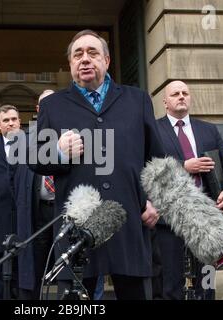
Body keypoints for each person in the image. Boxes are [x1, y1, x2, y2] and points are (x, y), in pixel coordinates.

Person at [30, 30, 165, 300]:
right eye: (77, 54)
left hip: (129, 220)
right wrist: (59, 151)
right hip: (78, 226)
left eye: (92, 53)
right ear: (70, 65)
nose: (84, 59)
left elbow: (157, 159)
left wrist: (155, 200)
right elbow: (35, 158)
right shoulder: (53, 105)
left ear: (106, 60)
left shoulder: (137, 99)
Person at [155, 80, 223, 300]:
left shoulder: (208, 129)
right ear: (165, 102)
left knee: (207, 281)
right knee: (170, 282)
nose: (181, 96)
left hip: (206, 218)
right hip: (170, 218)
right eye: (175, 94)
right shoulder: (154, 130)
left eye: (185, 93)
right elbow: (147, 168)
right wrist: (183, 166)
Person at [14, 89, 56, 300]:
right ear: (38, 109)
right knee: (36, 265)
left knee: (69, 267)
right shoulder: (25, 139)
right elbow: (16, 181)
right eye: (45, 104)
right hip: (37, 212)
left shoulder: (74, 135)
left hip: (64, 212)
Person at [0, 104, 21, 299]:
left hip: (25, 219)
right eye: (6, 120)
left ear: (19, 122)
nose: (10, 123)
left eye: (14, 119)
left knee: (21, 272)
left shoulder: (32, 146)